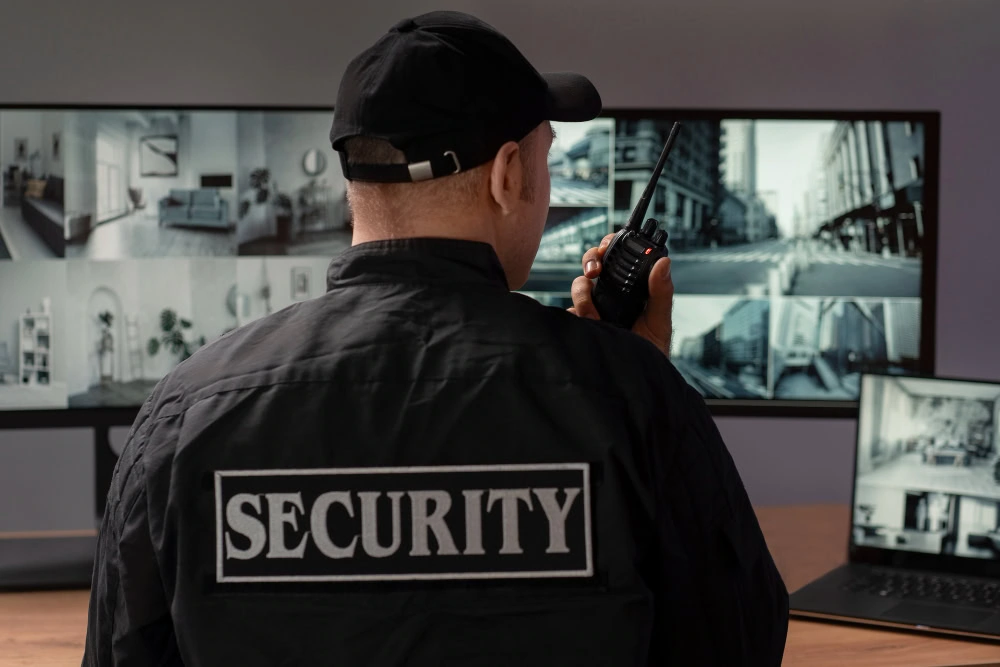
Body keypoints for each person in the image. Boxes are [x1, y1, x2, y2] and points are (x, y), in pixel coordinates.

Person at [82, 10, 788, 666]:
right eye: (543, 157)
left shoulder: (180, 417)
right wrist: (630, 378)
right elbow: (737, 641)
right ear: (510, 175)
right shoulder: (633, 400)